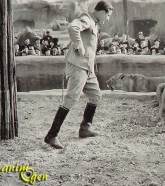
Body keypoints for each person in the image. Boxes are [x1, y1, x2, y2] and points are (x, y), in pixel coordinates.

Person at [44, 1, 113, 149]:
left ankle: (85, 128)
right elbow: (72, 27)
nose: (108, 19)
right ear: (102, 12)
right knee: (70, 99)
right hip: (78, 67)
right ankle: (52, 135)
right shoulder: (87, 19)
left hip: (87, 69)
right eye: (108, 15)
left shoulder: (94, 23)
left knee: (95, 95)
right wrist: (78, 44)